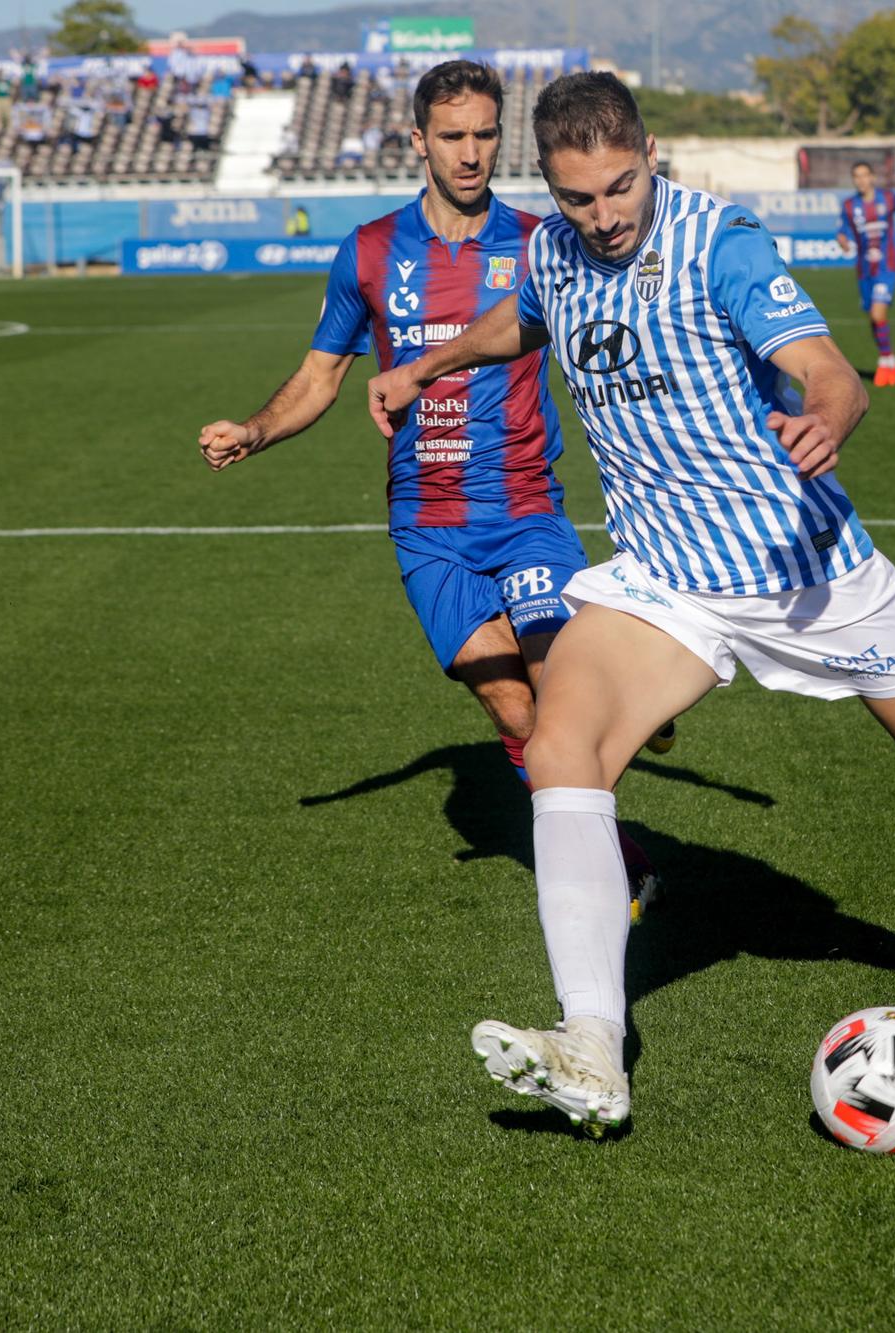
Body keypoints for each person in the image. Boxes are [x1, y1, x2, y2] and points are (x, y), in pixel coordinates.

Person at [368, 72, 895, 1138]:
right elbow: (523, 317)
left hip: (805, 571)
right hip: (666, 582)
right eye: (578, 197)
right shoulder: (553, 249)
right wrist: (428, 365)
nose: (603, 217)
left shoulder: (717, 242)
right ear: (547, 183)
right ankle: (593, 1046)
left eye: (620, 188)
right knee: (561, 746)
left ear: (652, 154)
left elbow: (827, 371)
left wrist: (826, 416)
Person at [196, 61, 667, 923]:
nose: (471, 152)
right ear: (418, 141)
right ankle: (624, 861)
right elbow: (321, 373)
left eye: (486, 134)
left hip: (527, 510)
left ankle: (631, 728)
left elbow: (631, 322)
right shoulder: (371, 251)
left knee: (567, 698)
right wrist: (257, 429)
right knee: (515, 710)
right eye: (453, 136)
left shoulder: (541, 242)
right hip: (428, 526)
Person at [834, 159, 895, 387]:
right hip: (864, 269)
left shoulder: (889, 198)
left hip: (887, 266)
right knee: (873, 318)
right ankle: (891, 362)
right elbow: (841, 232)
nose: (861, 180)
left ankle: (886, 360)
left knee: (878, 313)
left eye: (865, 175)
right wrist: (843, 241)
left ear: (872, 177)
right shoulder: (848, 206)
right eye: (857, 176)